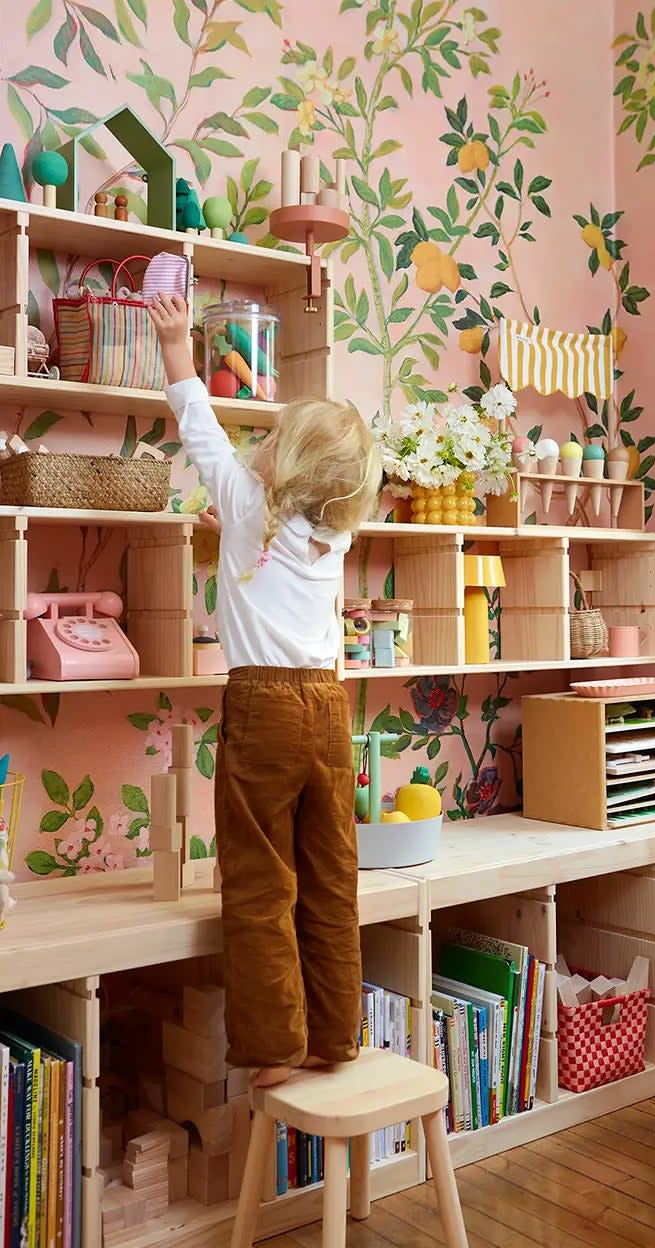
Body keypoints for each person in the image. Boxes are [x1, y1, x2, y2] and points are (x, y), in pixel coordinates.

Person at [148, 292, 381, 1088]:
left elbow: (197, 420)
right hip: (330, 707)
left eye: (274, 437)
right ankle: (335, 1036)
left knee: (258, 882)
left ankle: (275, 1049)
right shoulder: (336, 532)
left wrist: (178, 340)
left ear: (286, 468)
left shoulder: (246, 507)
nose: (260, 441)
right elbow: (267, 518)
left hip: (265, 707)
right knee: (328, 876)